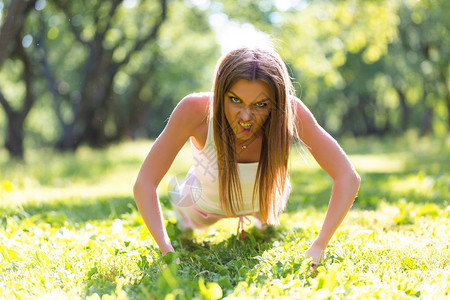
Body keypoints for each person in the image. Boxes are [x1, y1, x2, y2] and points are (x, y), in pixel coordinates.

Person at [133, 45, 361, 267]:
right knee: (187, 207)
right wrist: (166, 250)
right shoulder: (194, 110)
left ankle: (259, 218)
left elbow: (347, 176)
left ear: (276, 102)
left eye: (260, 104)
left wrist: (320, 244)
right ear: (221, 92)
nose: (245, 116)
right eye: (235, 100)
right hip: (202, 207)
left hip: (263, 203)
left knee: (269, 212)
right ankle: (184, 209)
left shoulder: (290, 112)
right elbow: (144, 183)